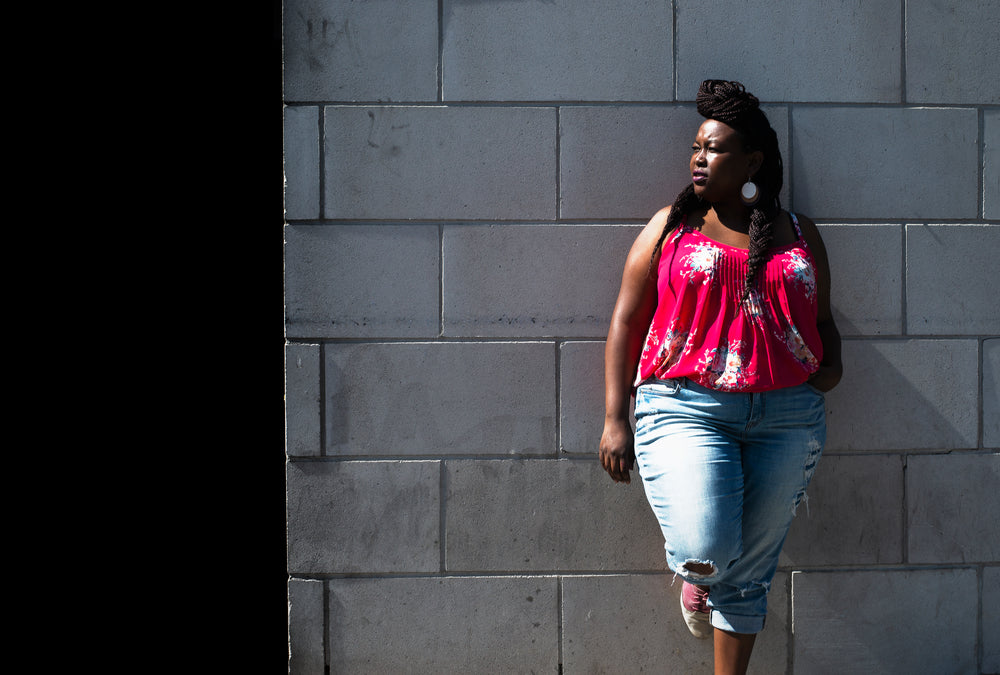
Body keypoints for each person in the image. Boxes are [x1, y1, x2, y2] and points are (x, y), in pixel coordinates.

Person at [599, 80, 842, 675]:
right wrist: (613, 418)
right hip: (684, 408)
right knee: (707, 550)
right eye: (695, 148)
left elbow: (824, 317)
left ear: (754, 162)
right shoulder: (670, 229)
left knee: (751, 575)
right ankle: (696, 580)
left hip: (787, 415)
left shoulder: (800, 232)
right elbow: (627, 320)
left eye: (715, 149)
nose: (700, 159)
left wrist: (831, 364)